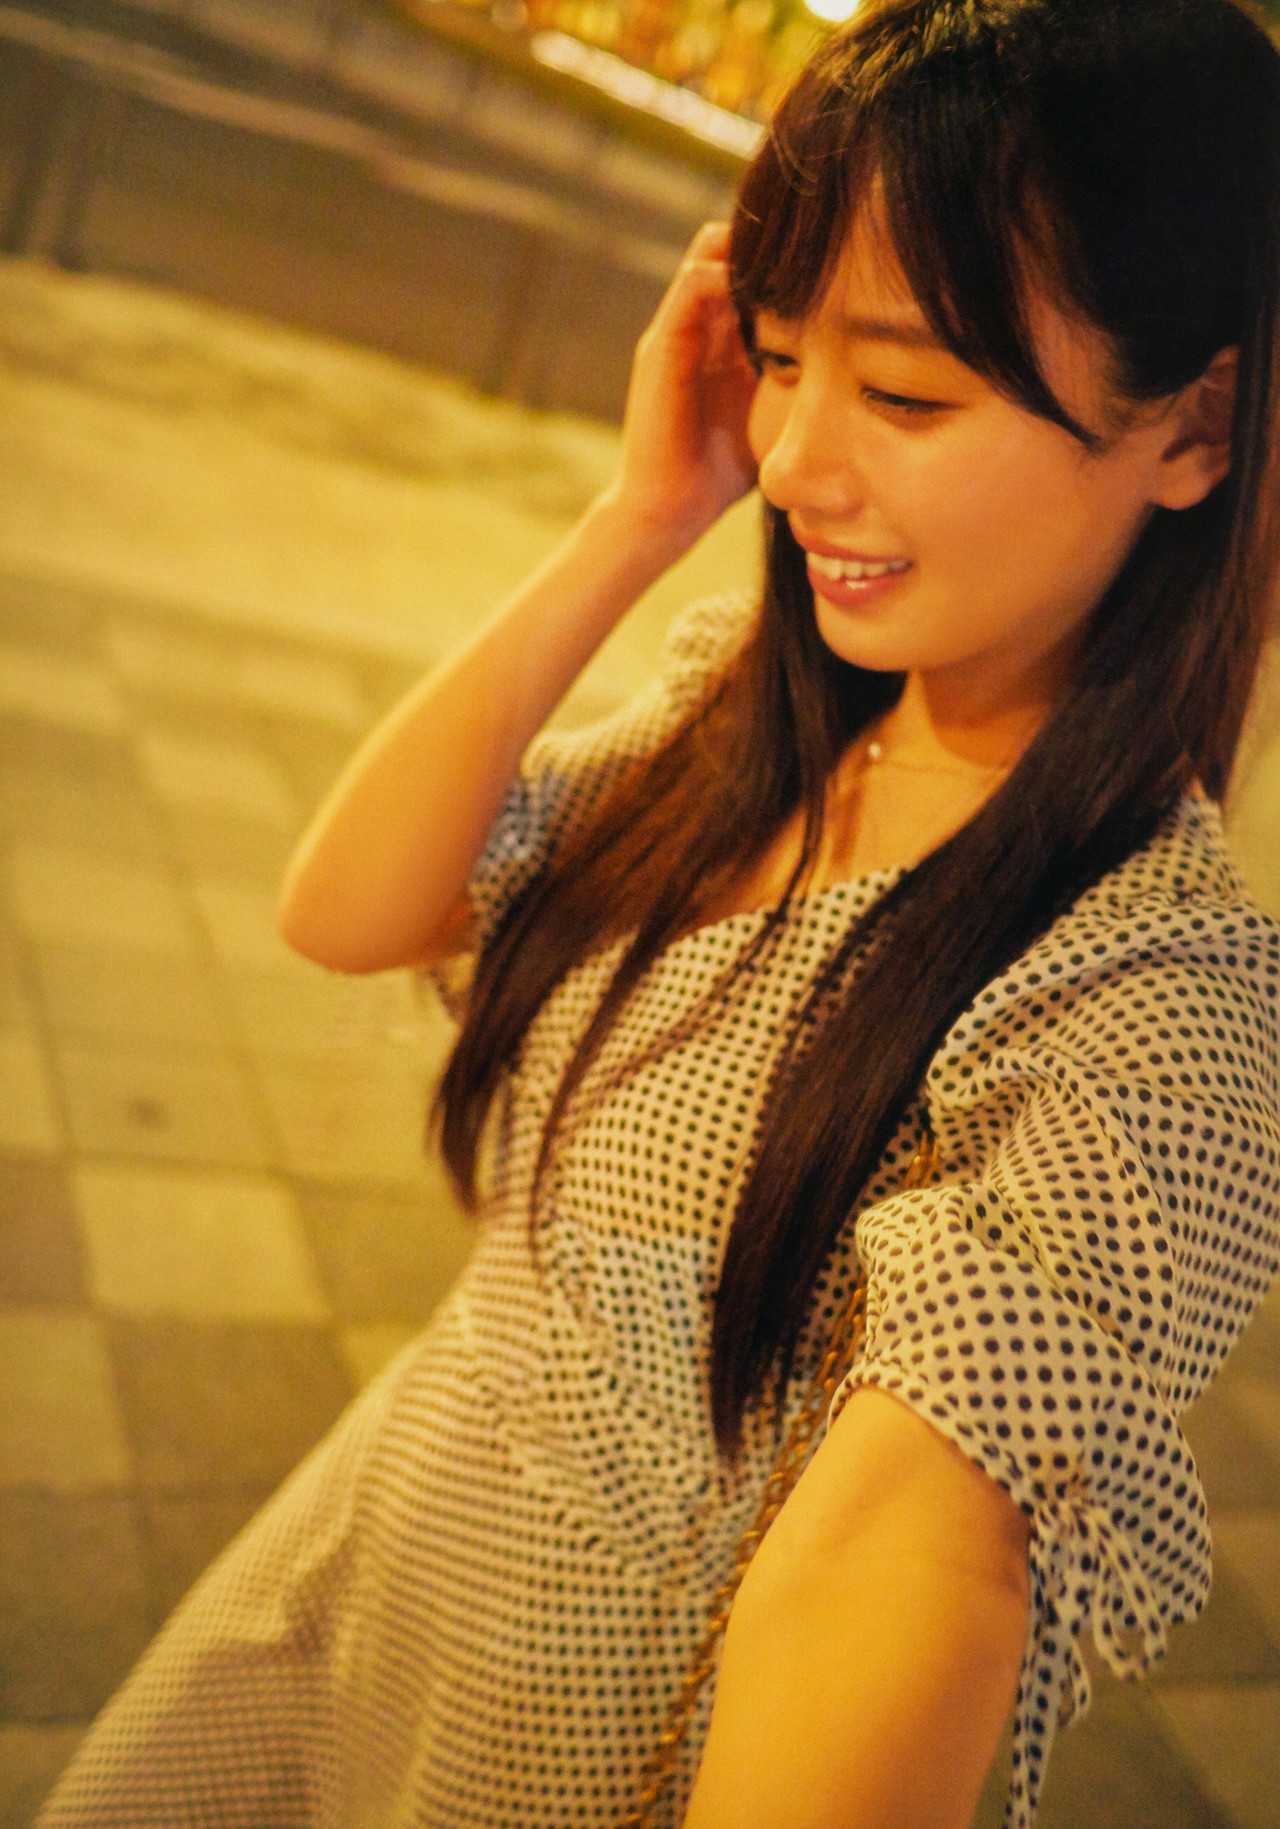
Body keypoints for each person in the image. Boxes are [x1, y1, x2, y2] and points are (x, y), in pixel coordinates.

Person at [37, 1, 1280, 1825]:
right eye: (778, 359)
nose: (794, 460)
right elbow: (350, 904)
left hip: (571, 1746)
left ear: (1197, 424)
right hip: (370, 1559)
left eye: (907, 393)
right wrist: (633, 519)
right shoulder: (760, 717)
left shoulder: (1153, 1011)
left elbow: (914, 1535)